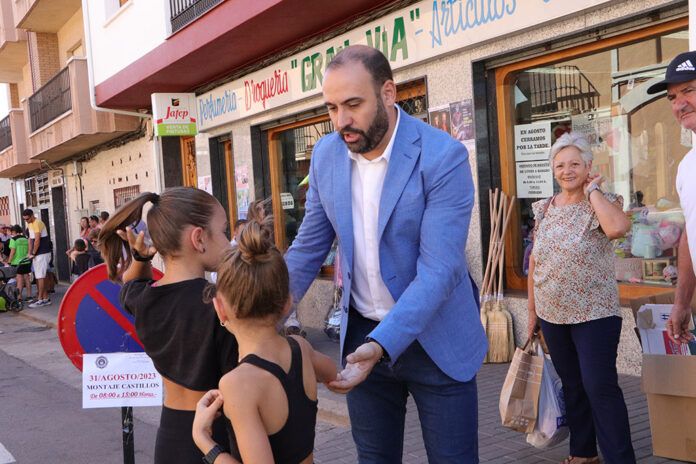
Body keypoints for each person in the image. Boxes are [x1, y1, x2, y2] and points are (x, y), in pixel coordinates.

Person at [284, 45, 486, 462]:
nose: (341, 121)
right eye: (332, 107)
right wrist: (263, 315)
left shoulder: (442, 157)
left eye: (353, 104)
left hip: (438, 342)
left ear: (389, 93)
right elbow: (308, 247)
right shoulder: (326, 155)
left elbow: (440, 270)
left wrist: (382, 343)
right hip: (361, 338)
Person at [99, 187, 239, 464]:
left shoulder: (144, 299)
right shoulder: (221, 306)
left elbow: (131, 285)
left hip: (170, 435)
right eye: (224, 232)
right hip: (216, 434)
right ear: (198, 238)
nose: (229, 242)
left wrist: (141, 259)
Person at [192, 211, 337, 464]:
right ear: (287, 304)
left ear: (220, 309)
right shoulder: (301, 349)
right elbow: (332, 372)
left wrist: (204, 440)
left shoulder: (238, 384)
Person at [527, 132, 634, 464]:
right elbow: (534, 261)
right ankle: (583, 454)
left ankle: (620, 458)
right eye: (560, 165)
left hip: (595, 314)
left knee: (599, 386)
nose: (567, 170)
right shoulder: (543, 208)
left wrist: (593, 191)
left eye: (575, 163)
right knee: (573, 386)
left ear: (589, 166)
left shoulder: (602, 201)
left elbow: (618, 228)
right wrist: (532, 312)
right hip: (552, 314)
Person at [648, 51, 696, 344]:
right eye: (672, 97)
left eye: (688, 90)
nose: (679, 103)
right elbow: (690, 236)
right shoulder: (687, 166)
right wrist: (681, 303)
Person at [22, 209, 52, 308]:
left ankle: (40, 299)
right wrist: (29, 253)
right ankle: (45, 298)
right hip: (37, 254)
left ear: (32, 215)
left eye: (28, 219)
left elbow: (37, 240)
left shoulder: (37, 223)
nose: (27, 221)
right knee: (39, 275)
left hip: (42, 253)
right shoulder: (30, 224)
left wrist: (33, 253)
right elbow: (31, 240)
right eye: (25, 220)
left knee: (40, 276)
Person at [5, 225, 31, 303]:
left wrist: (9, 261)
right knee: (27, 279)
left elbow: (12, 252)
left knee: (19, 280)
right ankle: (29, 296)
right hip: (26, 261)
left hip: (17, 262)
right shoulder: (26, 239)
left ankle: (19, 298)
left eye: (11, 232)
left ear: (14, 231)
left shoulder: (13, 240)